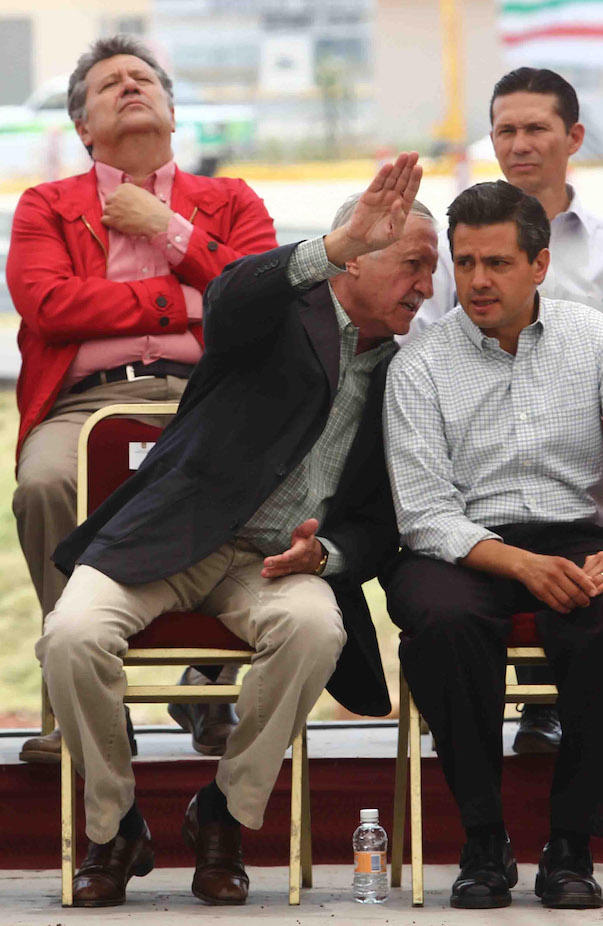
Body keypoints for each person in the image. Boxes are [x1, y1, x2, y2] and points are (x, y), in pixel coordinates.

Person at [37, 152, 438, 906]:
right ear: (357, 258)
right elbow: (226, 296)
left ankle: (221, 815)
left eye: (431, 273)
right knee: (70, 636)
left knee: (318, 633)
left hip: (279, 567)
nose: (427, 287)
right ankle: (114, 825)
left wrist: (331, 552)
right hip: (175, 536)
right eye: (415, 265)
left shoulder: (410, 374)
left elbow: (387, 521)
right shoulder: (284, 313)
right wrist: (334, 247)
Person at [383, 180, 603, 910]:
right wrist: (518, 562)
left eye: (496, 262)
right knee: (440, 619)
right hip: (462, 547)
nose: (478, 281)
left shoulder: (592, 339)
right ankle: (483, 839)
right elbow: (424, 513)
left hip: (577, 534)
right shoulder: (420, 366)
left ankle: (571, 845)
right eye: (464, 264)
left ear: (540, 265)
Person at [6, 35, 278, 763]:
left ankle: (207, 687)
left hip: (209, 397)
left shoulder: (230, 200)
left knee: (257, 480)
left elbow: (255, 301)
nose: (129, 86)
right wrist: (184, 298)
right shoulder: (46, 207)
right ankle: (84, 704)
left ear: (170, 111)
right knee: (45, 482)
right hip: (84, 403)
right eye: (108, 84)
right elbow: (50, 306)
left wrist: (169, 230)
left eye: (142, 79)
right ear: (83, 127)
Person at [400, 66, 603, 754]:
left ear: (573, 136)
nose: (520, 143)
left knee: (599, 596)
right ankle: (470, 736)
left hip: (580, 485)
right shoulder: (452, 257)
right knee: (444, 605)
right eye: (506, 129)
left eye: (536, 128)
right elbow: (422, 355)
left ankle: (558, 739)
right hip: (468, 489)